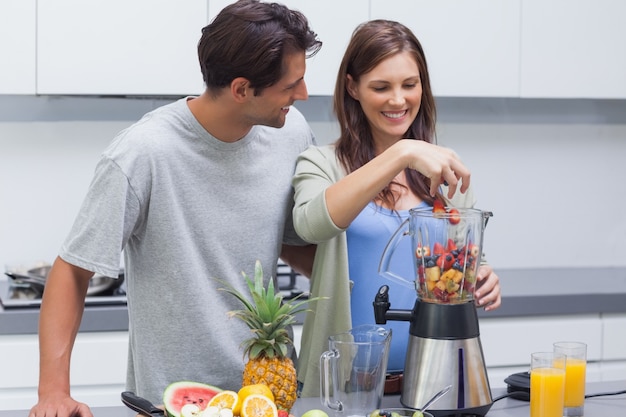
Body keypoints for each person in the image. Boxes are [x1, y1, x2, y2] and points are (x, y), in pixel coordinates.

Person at [29, 1, 322, 416]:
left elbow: (291, 242)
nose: (303, 95)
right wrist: (53, 391)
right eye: (291, 85)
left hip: (268, 396)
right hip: (170, 403)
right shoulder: (142, 153)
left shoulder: (291, 133)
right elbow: (73, 269)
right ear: (241, 89)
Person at [292, 19, 502, 397]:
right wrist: (401, 152)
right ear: (352, 87)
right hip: (342, 388)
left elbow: (458, 264)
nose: (398, 100)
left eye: (410, 84)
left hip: (435, 383)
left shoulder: (445, 172)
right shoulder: (321, 164)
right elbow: (311, 225)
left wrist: (481, 274)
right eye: (381, 87)